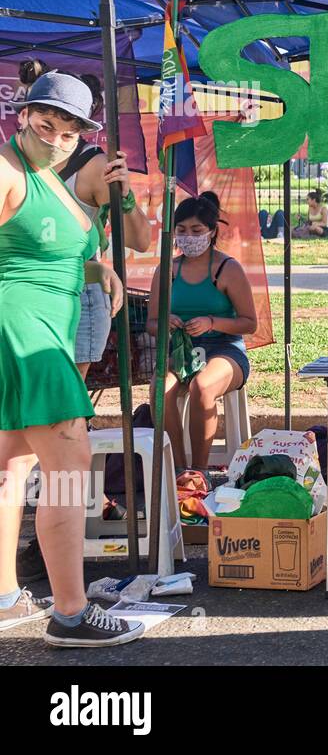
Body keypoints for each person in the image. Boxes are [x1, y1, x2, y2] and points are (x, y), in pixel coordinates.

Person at [0, 71, 142, 647]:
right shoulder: (8, 170)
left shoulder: (52, 176)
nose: (55, 135)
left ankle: (6, 594)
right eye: (46, 121)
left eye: (69, 128)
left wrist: (94, 265)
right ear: (23, 114)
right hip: (24, 333)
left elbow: (127, 236)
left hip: (41, 330)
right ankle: (71, 612)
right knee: (68, 469)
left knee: (11, 469)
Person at [148, 192, 258, 473]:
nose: (188, 237)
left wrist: (212, 322)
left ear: (211, 232)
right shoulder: (167, 270)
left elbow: (249, 323)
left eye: (196, 230)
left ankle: (198, 473)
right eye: (182, 230)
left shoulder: (227, 268)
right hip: (182, 351)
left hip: (225, 350)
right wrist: (167, 322)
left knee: (202, 386)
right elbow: (151, 323)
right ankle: (178, 470)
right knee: (160, 388)